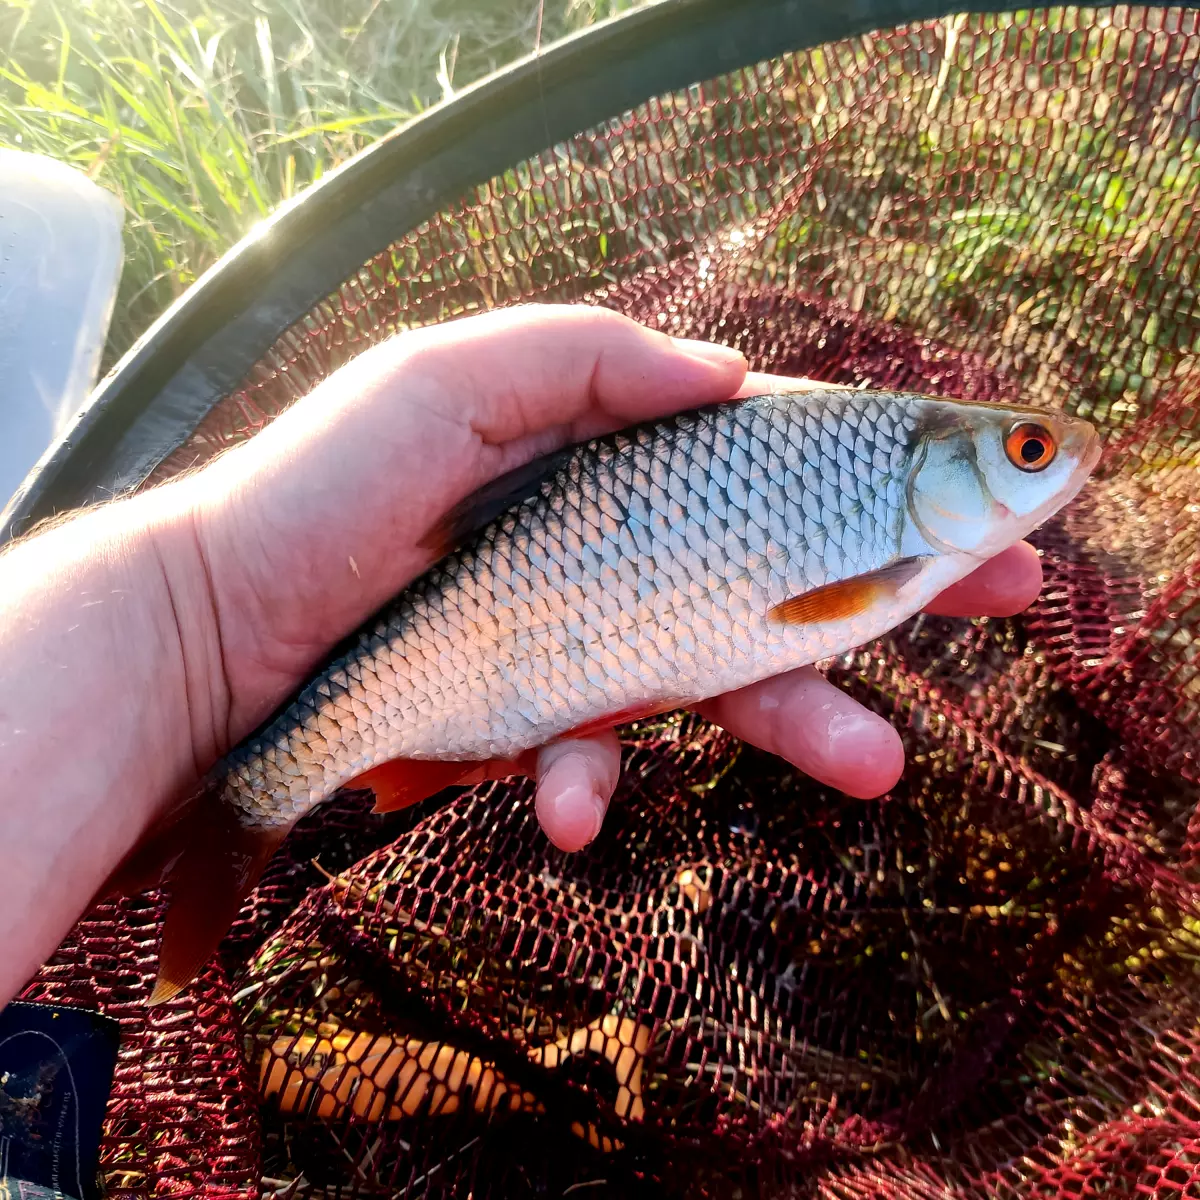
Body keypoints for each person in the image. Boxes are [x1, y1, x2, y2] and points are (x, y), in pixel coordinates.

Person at [0, 305, 1042, 1010]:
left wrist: (181, 608)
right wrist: (189, 603)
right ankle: (246, 804)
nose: (1049, 463)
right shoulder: (887, 529)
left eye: (1027, 448)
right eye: (1027, 450)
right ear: (941, 460)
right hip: (525, 627)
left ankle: (229, 815)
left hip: (556, 639)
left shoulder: (883, 494)